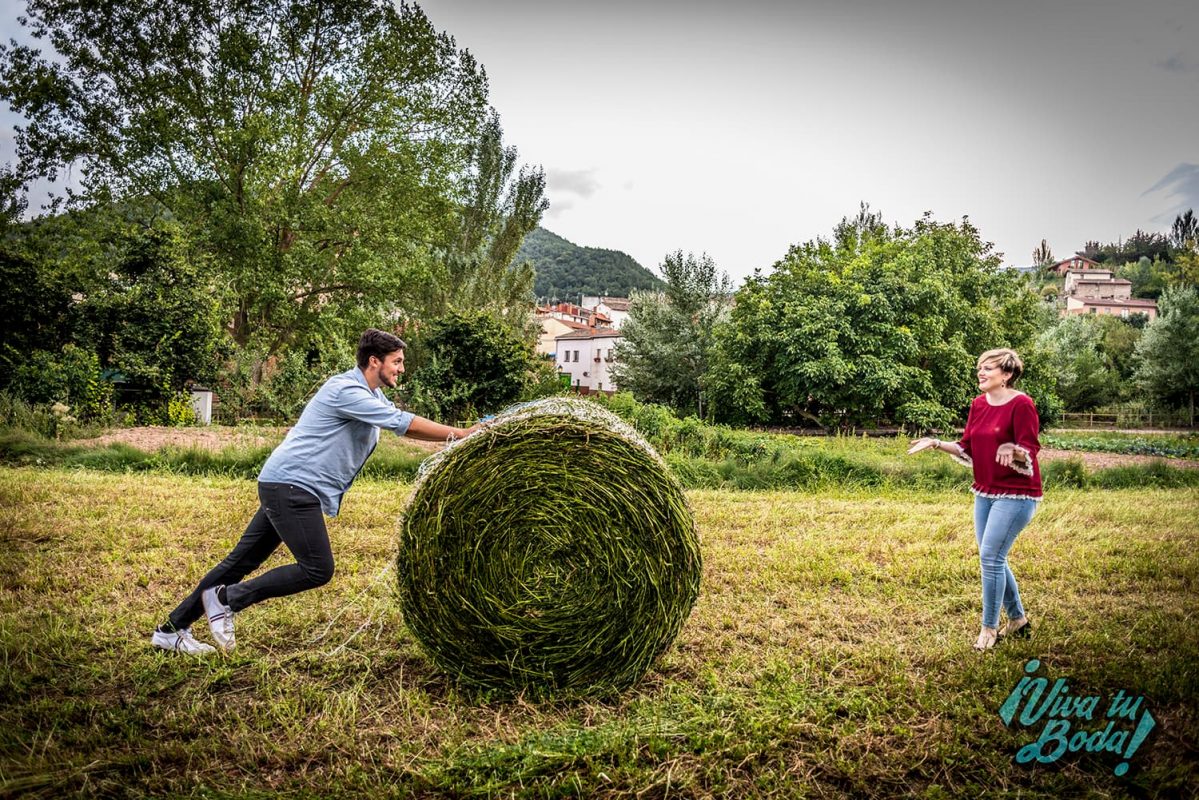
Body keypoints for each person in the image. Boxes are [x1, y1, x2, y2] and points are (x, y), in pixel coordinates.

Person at [151, 329, 481, 655]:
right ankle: (227, 599)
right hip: (293, 487)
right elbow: (403, 423)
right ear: (373, 361)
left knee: (239, 562)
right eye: (397, 361)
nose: (402, 369)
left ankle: (170, 630)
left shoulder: (371, 396)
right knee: (317, 569)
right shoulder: (346, 390)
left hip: (284, 483)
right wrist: (462, 434)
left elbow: (398, 421)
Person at [907, 348, 1042, 652]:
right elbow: (966, 445)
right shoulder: (978, 404)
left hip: (1017, 494)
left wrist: (1013, 449)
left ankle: (989, 629)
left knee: (990, 558)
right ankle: (1018, 620)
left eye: (989, 368)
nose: (981, 373)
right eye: (980, 367)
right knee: (992, 556)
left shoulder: (1021, 404)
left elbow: (1029, 449)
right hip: (985, 491)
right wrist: (936, 443)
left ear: (1006, 375)